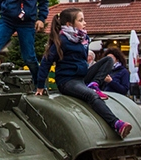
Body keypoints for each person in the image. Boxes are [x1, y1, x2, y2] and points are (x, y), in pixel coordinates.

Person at [34, 8, 130, 137]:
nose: (84, 23)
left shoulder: (83, 39)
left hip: (82, 77)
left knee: (108, 60)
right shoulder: (62, 41)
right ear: (69, 24)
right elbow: (46, 62)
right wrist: (40, 85)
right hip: (68, 82)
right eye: (81, 20)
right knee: (91, 96)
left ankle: (94, 84)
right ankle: (116, 124)